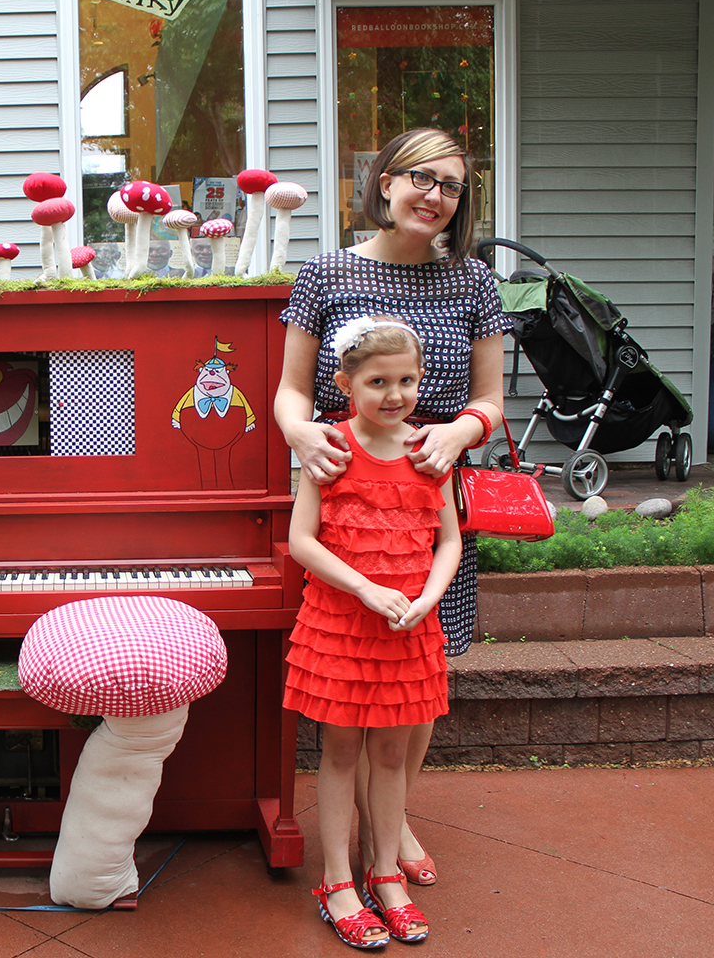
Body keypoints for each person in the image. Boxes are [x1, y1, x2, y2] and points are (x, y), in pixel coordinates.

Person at [273, 127, 508, 889]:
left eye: (451, 186)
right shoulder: (327, 270)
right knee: (356, 661)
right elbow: (292, 389)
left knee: (422, 670)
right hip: (345, 481)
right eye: (420, 178)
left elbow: (491, 400)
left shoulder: (472, 280)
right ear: (383, 182)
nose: (434, 196)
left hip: (427, 484)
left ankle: (394, 814)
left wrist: (461, 432)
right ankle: (367, 843)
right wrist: (303, 434)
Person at [285, 316, 461, 948]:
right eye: (379, 381)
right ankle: (337, 881)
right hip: (341, 627)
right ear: (346, 384)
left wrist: (428, 597)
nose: (395, 394)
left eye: (407, 380)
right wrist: (364, 587)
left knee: (391, 754)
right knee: (339, 753)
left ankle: (385, 874)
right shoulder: (330, 448)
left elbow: (449, 542)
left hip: (410, 626)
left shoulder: (429, 451)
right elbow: (301, 541)